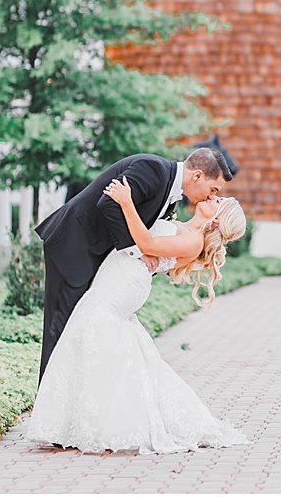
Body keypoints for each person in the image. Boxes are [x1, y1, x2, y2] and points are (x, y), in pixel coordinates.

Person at [26, 181, 249, 454]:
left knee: (95, 326)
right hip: (122, 273)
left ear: (217, 219)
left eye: (217, 202)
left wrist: (126, 200)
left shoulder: (194, 240)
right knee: (103, 337)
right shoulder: (185, 227)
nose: (211, 197)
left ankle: (93, 422)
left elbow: (146, 242)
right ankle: (79, 418)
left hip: (126, 282)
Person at [35, 148, 232, 381]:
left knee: (79, 332)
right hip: (74, 246)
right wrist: (138, 251)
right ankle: (47, 407)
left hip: (98, 259)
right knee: (60, 329)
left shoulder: (171, 195)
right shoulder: (152, 169)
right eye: (213, 190)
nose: (210, 196)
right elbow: (108, 203)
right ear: (197, 176)